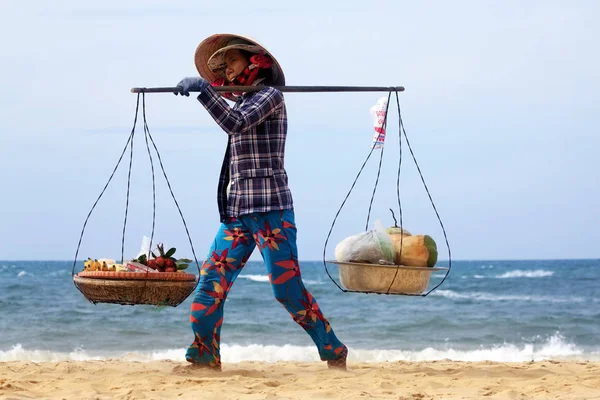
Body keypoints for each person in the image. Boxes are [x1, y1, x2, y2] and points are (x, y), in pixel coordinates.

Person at [174, 34, 347, 371]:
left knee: (287, 291)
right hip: (238, 213)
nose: (228, 71)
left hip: (271, 211)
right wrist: (209, 93)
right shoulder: (241, 102)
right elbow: (233, 118)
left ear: (255, 61)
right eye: (223, 68)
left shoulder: (270, 96)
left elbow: (235, 125)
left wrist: (204, 91)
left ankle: (333, 349)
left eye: (232, 62)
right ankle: (204, 356)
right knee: (210, 285)